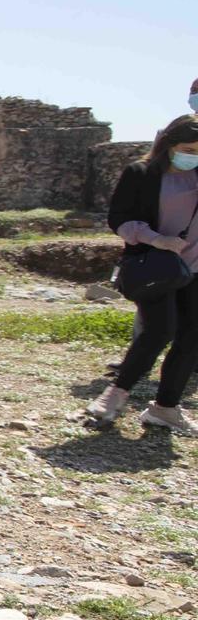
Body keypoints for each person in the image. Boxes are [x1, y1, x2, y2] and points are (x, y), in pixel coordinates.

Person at [83, 115, 198, 434]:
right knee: (159, 330)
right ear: (169, 145)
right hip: (156, 265)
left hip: (195, 269)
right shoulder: (141, 173)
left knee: (191, 338)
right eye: (188, 149)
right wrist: (157, 239)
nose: (194, 155)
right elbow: (119, 218)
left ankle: (166, 409)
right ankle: (114, 396)